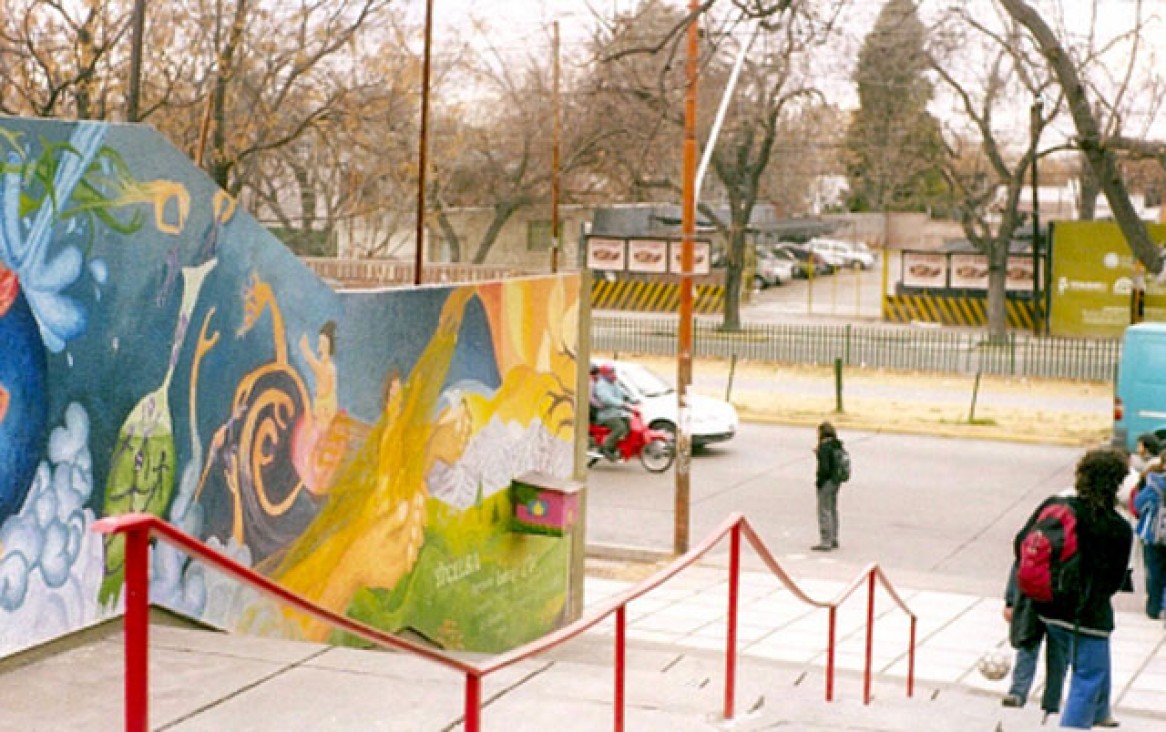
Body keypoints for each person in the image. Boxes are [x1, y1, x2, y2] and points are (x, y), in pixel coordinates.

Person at [1016, 447, 1132, 730]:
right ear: (1117, 483)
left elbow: (1021, 542)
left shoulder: (1055, 506)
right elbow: (1114, 581)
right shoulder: (1118, 527)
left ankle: (1101, 711)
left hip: (1049, 607)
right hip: (1088, 615)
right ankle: (1076, 725)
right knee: (1088, 674)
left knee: (1094, 660)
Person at [1000, 564, 1066, 716]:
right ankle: (1050, 701)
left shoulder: (1031, 540)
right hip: (1055, 602)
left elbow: (1019, 563)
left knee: (1030, 646)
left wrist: (1010, 600)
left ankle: (1019, 693)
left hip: (1035, 601)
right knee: (1055, 653)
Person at [1133, 466, 1166, 620]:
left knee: (1154, 571)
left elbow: (1139, 505)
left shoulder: (1154, 484)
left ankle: (1153, 607)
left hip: (1153, 535)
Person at [812, 421, 844, 552]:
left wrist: (819, 482)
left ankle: (825, 541)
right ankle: (834, 537)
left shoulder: (825, 447)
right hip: (836, 480)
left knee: (823, 510)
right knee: (832, 509)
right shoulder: (837, 445)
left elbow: (824, 468)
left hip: (827, 481)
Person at [591, 363, 630, 461]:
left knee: (629, 425)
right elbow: (606, 399)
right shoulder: (601, 385)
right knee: (620, 427)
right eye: (610, 372)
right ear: (604, 374)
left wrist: (631, 399)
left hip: (615, 412)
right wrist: (621, 404)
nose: (613, 374)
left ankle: (615, 447)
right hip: (605, 415)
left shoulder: (614, 383)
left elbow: (622, 392)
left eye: (613, 372)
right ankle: (606, 448)